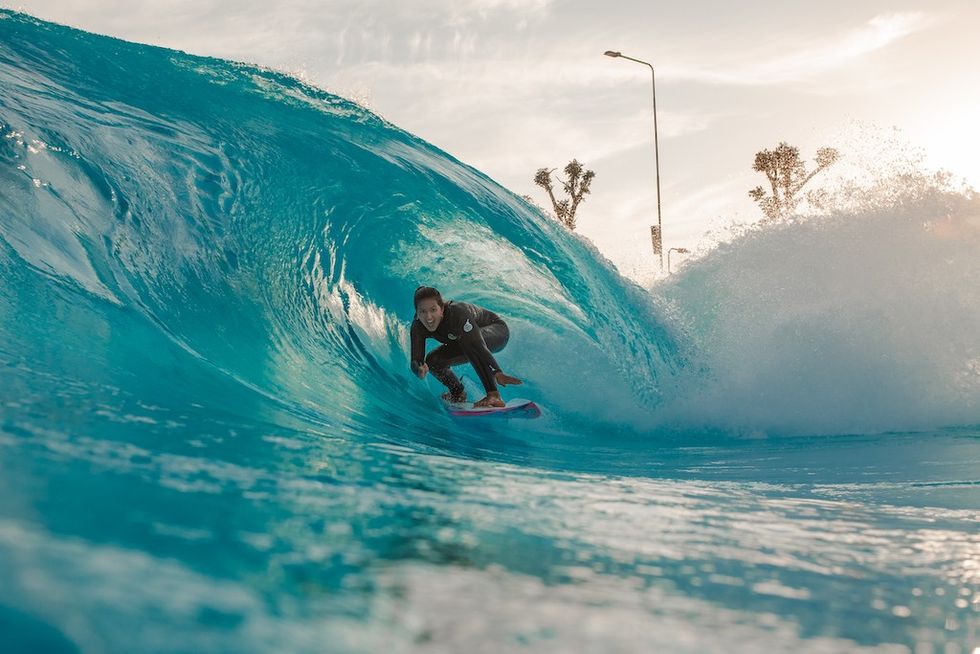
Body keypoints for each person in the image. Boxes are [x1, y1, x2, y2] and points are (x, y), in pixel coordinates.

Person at [409, 286, 522, 408]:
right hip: (467, 340)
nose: (429, 317)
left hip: (497, 331)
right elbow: (416, 360)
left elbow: (477, 345)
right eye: (423, 312)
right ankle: (458, 393)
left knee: (468, 341)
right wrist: (419, 370)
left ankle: (494, 395)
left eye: (433, 310)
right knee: (433, 361)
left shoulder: (456, 312)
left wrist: (496, 371)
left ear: (441, 309)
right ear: (417, 314)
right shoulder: (418, 327)